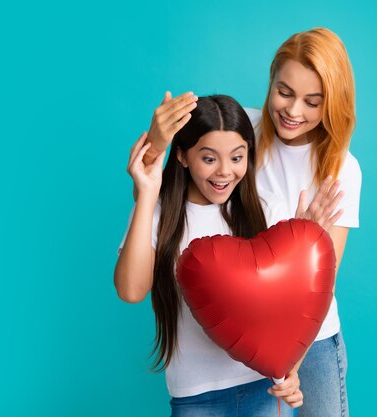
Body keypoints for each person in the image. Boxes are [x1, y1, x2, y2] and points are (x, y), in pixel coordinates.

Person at [141, 28, 361, 417]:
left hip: (312, 332)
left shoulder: (342, 168)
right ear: (271, 81)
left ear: (333, 102)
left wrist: (288, 364)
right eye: (285, 92)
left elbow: (324, 279)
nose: (293, 112)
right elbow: (167, 178)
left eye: (313, 101)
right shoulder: (245, 129)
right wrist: (157, 143)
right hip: (246, 334)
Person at [115, 95, 341, 416]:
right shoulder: (158, 212)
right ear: (182, 156)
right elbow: (131, 290)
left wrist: (290, 370)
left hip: (263, 389)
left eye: (237, 158)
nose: (224, 172)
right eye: (209, 159)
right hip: (196, 397)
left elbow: (292, 305)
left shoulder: (267, 208)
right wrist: (148, 194)